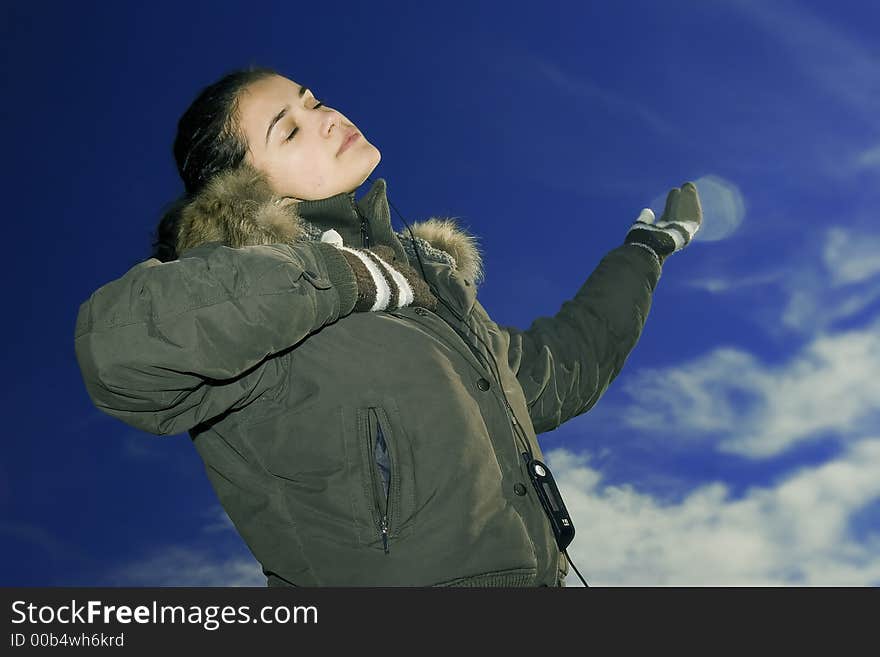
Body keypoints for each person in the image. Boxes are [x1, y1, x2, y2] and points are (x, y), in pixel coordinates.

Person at [74, 65, 702, 587]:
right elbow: (115, 351)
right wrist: (343, 277)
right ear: (241, 188)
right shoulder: (237, 297)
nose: (324, 116)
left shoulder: (431, 295)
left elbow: (563, 369)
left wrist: (646, 250)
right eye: (288, 130)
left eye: (312, 100)